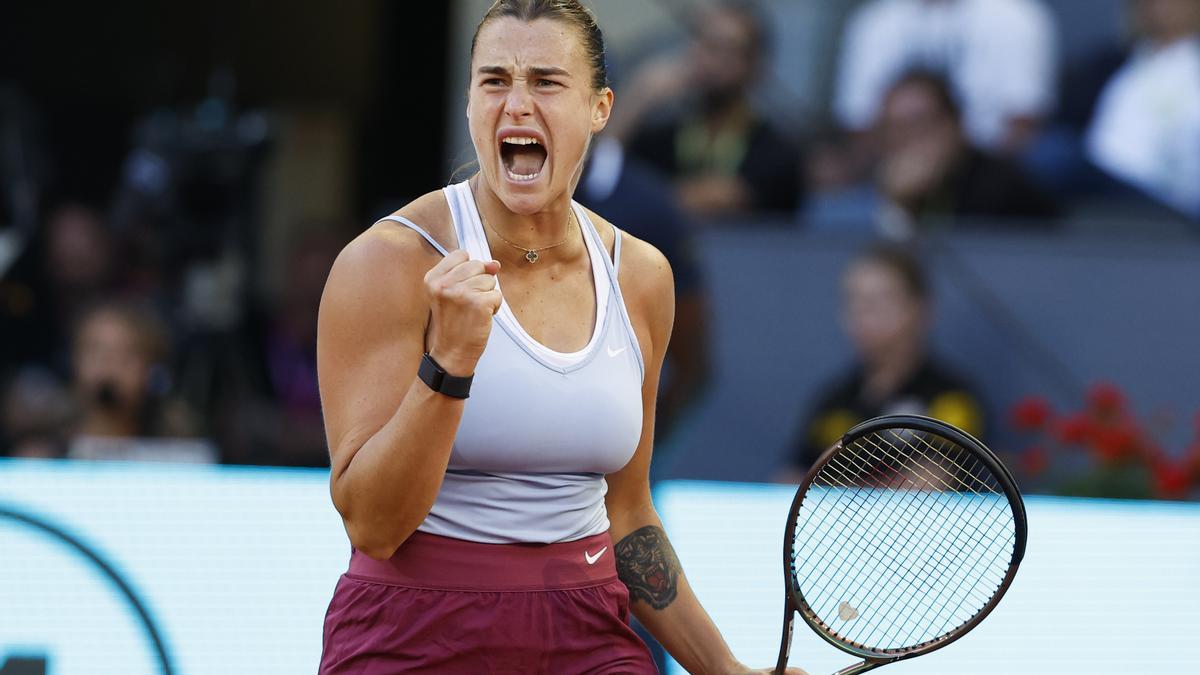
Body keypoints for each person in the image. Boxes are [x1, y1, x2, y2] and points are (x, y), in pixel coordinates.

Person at [316, 2, 807, 673]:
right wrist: (450, 363)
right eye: (494, 81)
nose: (517, 104)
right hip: (412, 629)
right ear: (469, 105)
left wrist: (726, 669)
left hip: (586, 627)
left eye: (546, 82)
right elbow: (372, 524)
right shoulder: (389, 261)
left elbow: (629, 515)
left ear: (600, 107)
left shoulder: (641, 275)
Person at [778, 245, 985, 478]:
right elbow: (792, 478)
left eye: (877, 301)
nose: (860, 314)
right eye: (852, 301)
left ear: (920, 309)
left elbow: (931, 482)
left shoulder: (951, 399)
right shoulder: (832, 400)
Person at [616, 0, 802, 218]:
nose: (709, 60)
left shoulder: (777, 149)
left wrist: (641, 196)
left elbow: (721, 198)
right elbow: (601, 174)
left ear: (754, 65)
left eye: (724, 48)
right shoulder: (660, 137)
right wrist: (638, 98)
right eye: (702, 43)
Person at [834, 0, 1057, 154]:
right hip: (888, 161)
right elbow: (858, 123)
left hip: (987, 162)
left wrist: (962, 170)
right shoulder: (875, 21)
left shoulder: (1015, 16)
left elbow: (1024, 120)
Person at [872, 71, 1059, 234]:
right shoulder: (882, 188)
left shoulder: (1003, 188)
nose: (910, 140)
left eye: (920, 125)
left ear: (955, 125)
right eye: (896, 128)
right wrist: (898, 205)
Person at [1085, 0, 1200, 219]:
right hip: (1102, 177)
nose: (1160, 8)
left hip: (1171, 193)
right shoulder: (1111, 62)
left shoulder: (1192, 65)